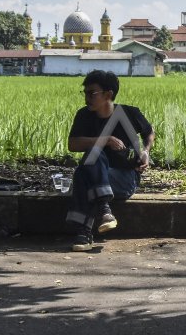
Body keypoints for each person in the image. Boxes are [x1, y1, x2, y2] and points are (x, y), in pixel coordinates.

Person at [66, 70, 155, 252]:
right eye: (85, 93)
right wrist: (104, 139)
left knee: (83, 173)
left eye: (92, 93)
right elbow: (73, 144)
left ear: (108, 94)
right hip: (100, 178)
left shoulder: (129, 113)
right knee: (90, 160)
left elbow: (149, 133)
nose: (87, 98)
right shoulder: (83, 115)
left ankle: (84, 231)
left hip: (125, 178)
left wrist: (146, 152)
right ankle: (104, 209)